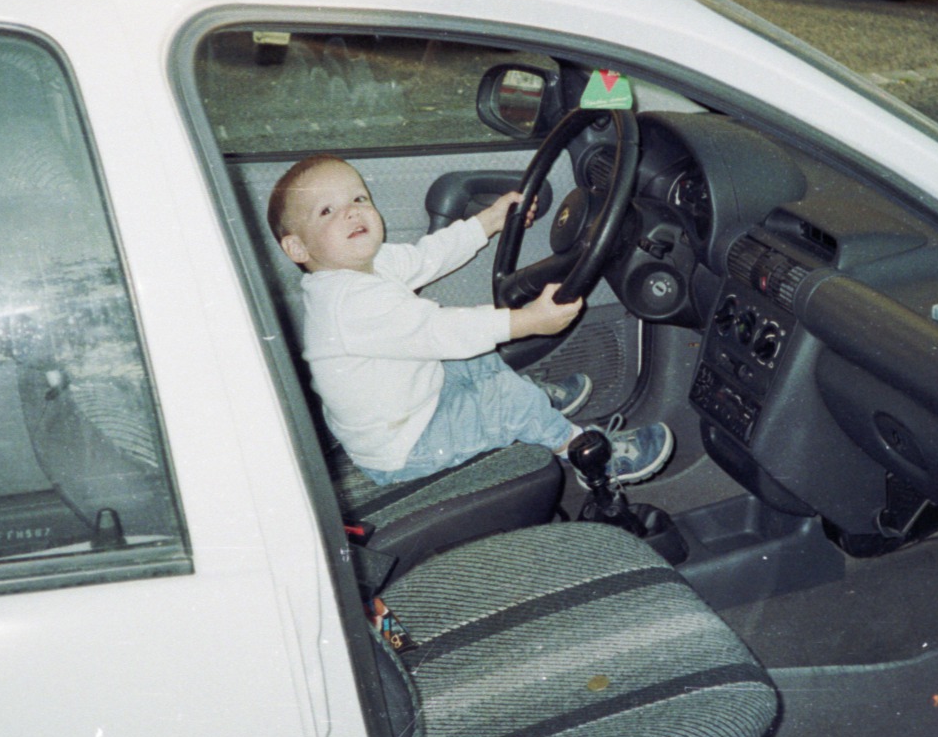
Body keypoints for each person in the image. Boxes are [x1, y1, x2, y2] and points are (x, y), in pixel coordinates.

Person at [267, 154, 674, 487]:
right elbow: (443, 331)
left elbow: (430, 255)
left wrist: (489, 221)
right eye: (327, 210)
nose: (352, 213)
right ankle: (587, 455)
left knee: (473, 361)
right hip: (405, 445)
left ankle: (535, 402)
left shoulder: (366, 265)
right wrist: (527, 320)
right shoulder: (348, 303)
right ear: (297, 246)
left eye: (359, 199)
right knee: (506, 402)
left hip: (411, 404)